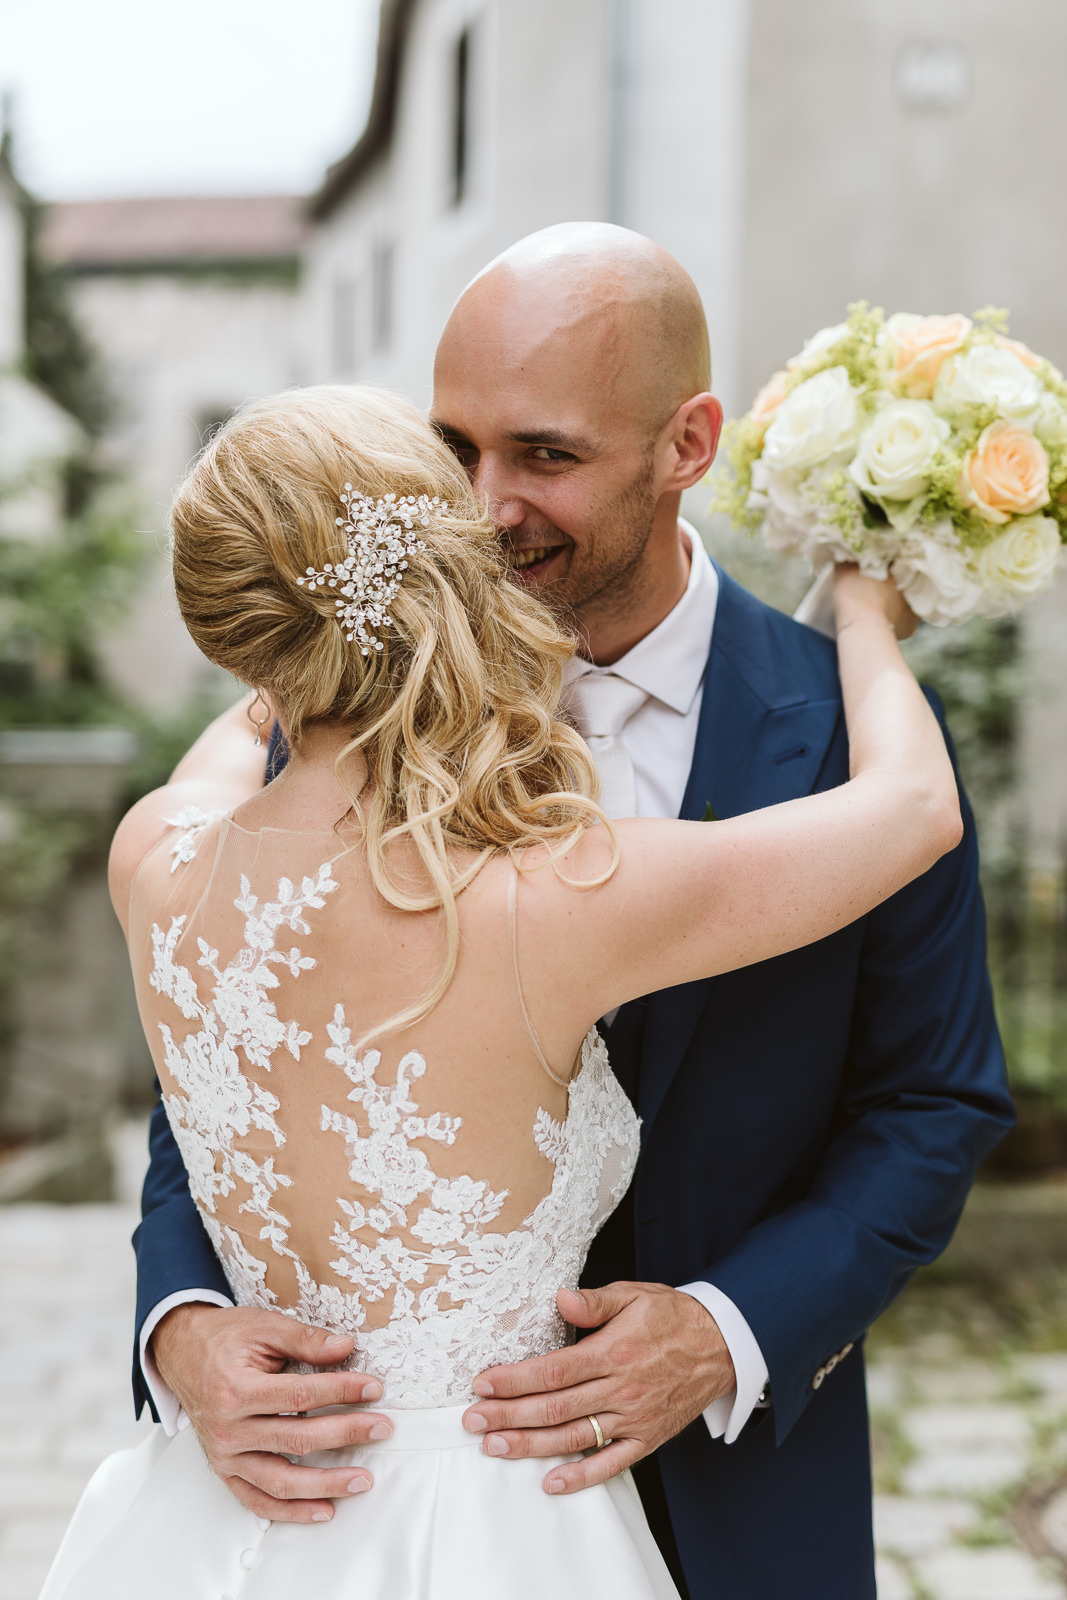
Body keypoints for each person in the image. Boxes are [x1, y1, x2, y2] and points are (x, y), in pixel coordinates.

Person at [128, 227, 1012, 1600]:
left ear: (688, 444)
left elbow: (934, 1104)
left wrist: (728, 1332)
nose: (481, 507)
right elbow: (223, 1070)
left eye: (542, 456)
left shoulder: (844, 731)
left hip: (743, 1490)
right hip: (352, 1483)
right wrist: (181, 1323)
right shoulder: (323, 729)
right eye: (450, 448)